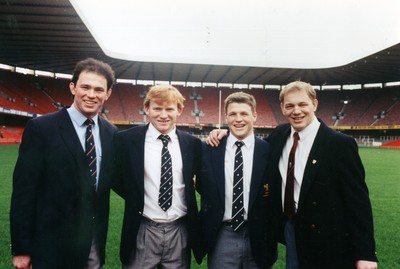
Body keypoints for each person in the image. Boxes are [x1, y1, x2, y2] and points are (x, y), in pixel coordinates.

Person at [207, 81, 378, 269]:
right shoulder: (280, 136)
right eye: (290, 106)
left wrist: (366, 253)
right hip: (291, 229)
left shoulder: (339, 144)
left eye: (302, 104)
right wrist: (223, 133)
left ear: (314, 104)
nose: (296, 111)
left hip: (328, 238)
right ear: (282, 108)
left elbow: (358, 202)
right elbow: (245, 142)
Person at [10, 58, 117, 269]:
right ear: (73, 87)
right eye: (85, 87)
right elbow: (24, 192)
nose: (91, 94)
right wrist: (22, 249)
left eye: (98, 89)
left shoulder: (111, 132)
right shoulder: (42, 128)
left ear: (108, 94)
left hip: (92, 246)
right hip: (50, 245)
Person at [113, 85, 202, 268]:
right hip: (143, 228)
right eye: (157, 108)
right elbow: (116, 178)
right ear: (147, 108)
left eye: (169, 109)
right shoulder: (127, 140)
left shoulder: (192, 144)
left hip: (179, 228)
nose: (163, 115)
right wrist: (136, 196)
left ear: (179, 110)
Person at [199, 92, 277, 269]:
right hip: (223, 233)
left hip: (258, 233)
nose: (238, 119)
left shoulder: (268, 150)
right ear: (226, 117)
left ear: (254, 116)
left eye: (244, 114)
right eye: (233, 114)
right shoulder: (210, 148)